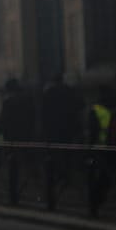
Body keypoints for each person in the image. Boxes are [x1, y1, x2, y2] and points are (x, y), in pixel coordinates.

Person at [86, 85, 116, 214]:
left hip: (103, 148)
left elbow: (93, 131)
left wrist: (89, 148)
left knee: (104, 175)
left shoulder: (96, 110)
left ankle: (96, 202)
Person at [40, 73, 83, 206]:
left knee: (54, 154)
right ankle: (66, 175)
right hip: (68, 128)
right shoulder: (69, 91)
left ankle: (59, 176)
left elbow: (43, 112)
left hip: (53, 129)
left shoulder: (48, 92)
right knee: (66, 151)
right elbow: (80, 104)